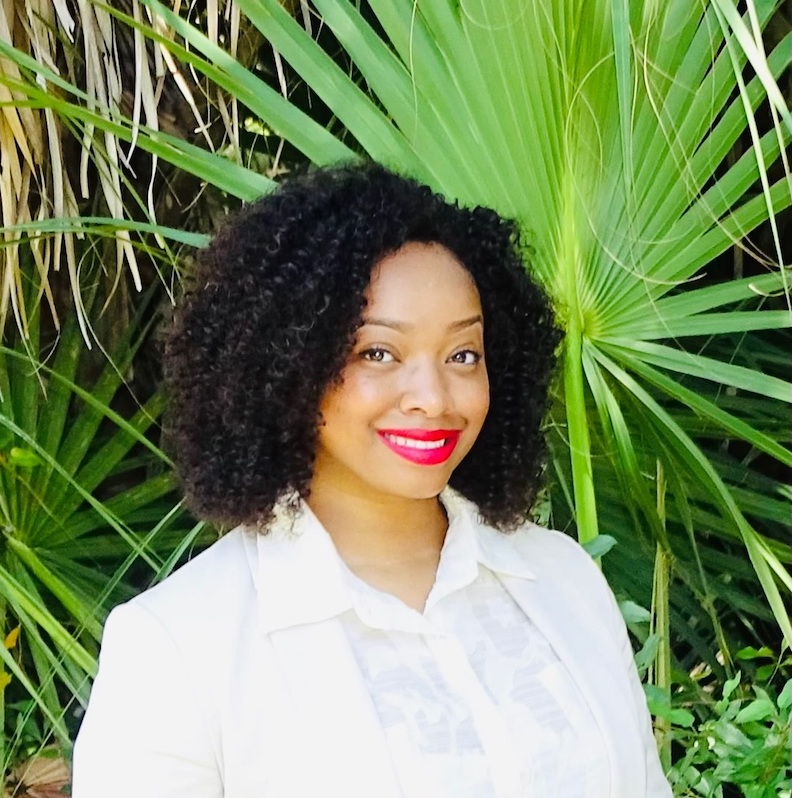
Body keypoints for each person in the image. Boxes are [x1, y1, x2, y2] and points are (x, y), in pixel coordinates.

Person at [72, 163, 672, 798]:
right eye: (377, 354)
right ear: (290, 364)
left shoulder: (562, 578)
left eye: (462, 355)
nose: (432, 396)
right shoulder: (180, 646)